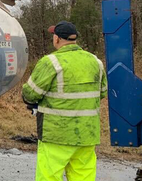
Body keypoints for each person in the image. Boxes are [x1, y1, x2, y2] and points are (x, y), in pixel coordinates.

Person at [22, 21, 108, 181]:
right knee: (83, 177)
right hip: (86, 135)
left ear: (57, 39)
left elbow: (30, 94)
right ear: (75, 39)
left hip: (56, 134)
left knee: (49, 176)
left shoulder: (51, 62)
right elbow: (102, 93)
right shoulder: (96, 62)